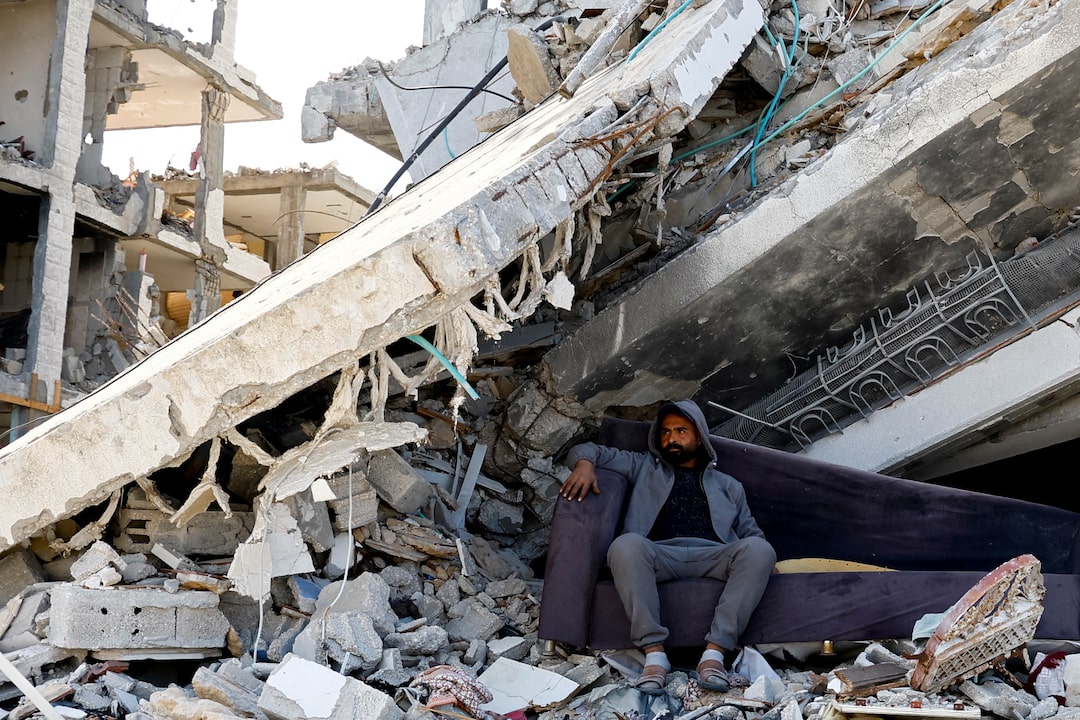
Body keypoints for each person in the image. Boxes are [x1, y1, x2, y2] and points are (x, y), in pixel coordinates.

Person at [560, 399, 776, 695]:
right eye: (664, 432)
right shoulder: (642, 466)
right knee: (625, 546)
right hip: (658, 553)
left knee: (759, 550)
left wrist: (763, 564)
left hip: (713, 555)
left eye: (680, 431)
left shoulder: (729, 486)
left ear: (699, 436)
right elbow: (585, 450)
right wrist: (585, 465)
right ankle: (654, 655)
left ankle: (714, 655)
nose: (670, 438)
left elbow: (752, 534)